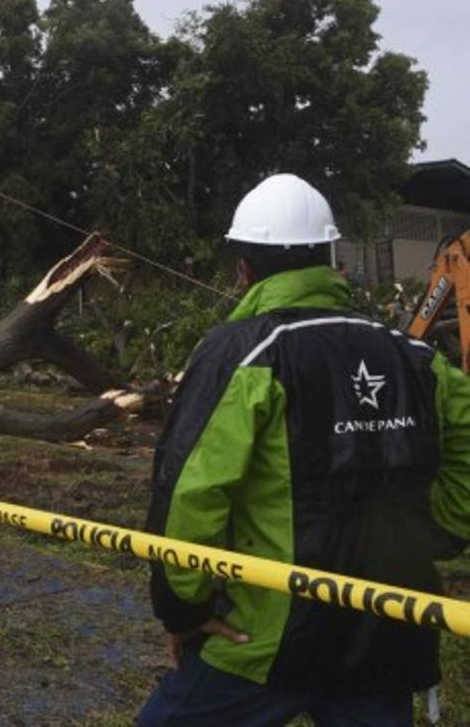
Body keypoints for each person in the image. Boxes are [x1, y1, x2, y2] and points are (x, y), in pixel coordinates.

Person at [138, 173, 470, 727]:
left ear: (244, 269)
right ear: (330, 258)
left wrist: (183, 609)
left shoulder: (242, 354)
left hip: (263, 639)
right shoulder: (416, 356)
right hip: (386, 636)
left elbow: (189, 492)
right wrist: (438, 532)